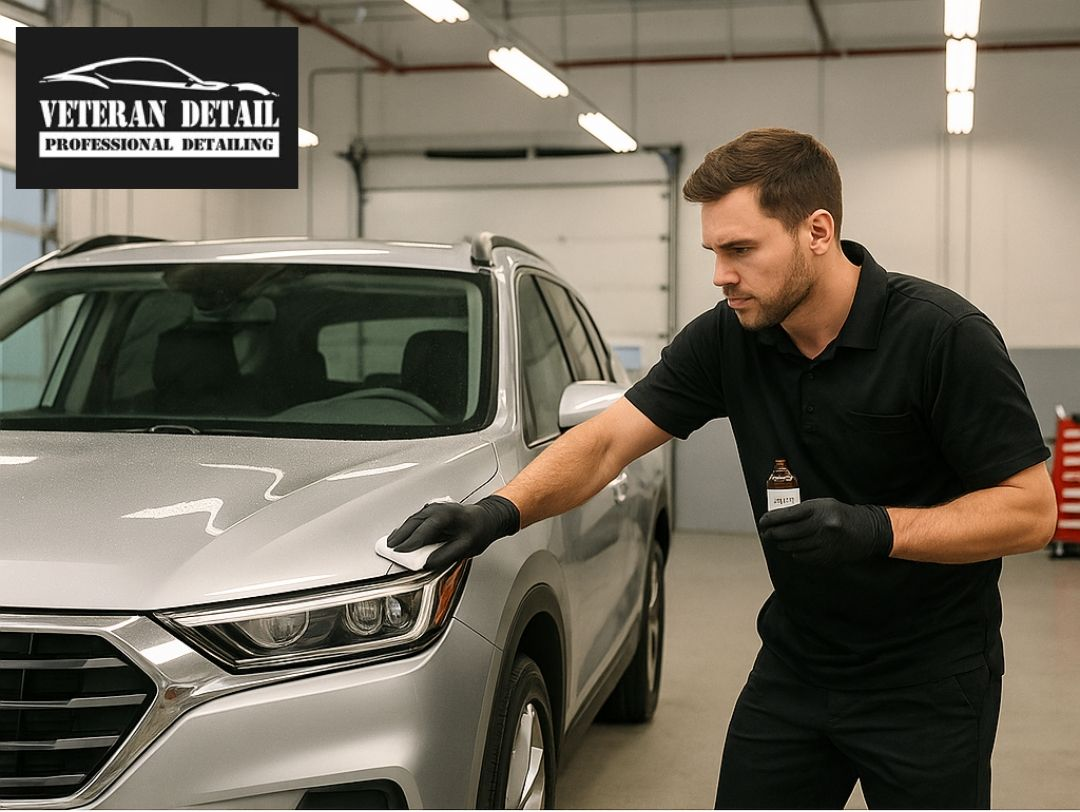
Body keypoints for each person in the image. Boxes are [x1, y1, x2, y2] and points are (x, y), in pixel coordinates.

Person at [386, 127, 1058, 809]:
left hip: (931, 681)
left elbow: (1033, 511)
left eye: (740, 249)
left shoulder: (943, 337)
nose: (720, 274)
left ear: (817, 231)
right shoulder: (731, 337)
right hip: (798, 665)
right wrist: (499, 510)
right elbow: (609, 439)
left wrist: (876, 530)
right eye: (713, 251)